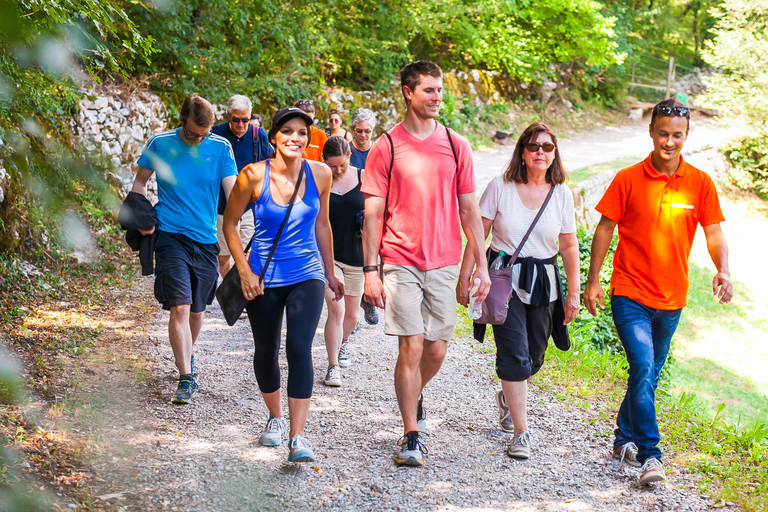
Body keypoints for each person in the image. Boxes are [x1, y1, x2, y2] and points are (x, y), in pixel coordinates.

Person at [583, 98, 733, 485]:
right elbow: (604, 229)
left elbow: (713, 231)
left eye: (677, 136)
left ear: (687, 136)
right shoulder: (628, 178)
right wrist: (593, 279)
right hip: (629, 292)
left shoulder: (700, 183)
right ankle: (651, 454)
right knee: (644, 367)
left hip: (672, 300)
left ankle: (621, 438)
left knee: (646, 375)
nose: (669, 142)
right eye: (663, 134)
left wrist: (723, 270)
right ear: (651, 132)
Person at [361, 60, 491, 467]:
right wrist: (370, 270)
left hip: (444, 261)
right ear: (408, 92)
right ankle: (411, 434)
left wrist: (481, 266)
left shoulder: (456, 145)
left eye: (440, 91)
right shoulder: (387, 146)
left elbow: (470, 210)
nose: (438, 97)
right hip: (399, 259)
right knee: (412, 344)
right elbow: (372, 214)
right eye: (429, 91)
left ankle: (413, 391)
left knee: (435, 350)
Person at [223, 107, 344, 463]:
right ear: (273, 136)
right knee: (265, 349)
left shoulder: (320, 173)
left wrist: (331, 270)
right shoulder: (252, 176)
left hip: (307, 273)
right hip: (262, 277)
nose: (296, 138)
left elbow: (322, 225)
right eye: (288, 131)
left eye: (303, 133)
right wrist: (243, 271)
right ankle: (275, 417)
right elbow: (230, 226)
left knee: (299, 347)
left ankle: (297, 436)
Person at [458, 123, 580, 460]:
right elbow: (477, 234)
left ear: (554, 154)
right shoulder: (501, 186)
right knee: (515, 353)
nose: (541, 152)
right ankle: (522, 433)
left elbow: (569, 247)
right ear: (522, 153)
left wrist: (574, 292)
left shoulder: (561, 193)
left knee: (535, 357)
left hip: (544, 281)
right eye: (533, 146)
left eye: (548, 147)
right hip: (503, 278)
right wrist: (465, 276)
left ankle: (508, 396)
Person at [130, 94, 237, 404]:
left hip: (205, 239)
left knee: (197, 310)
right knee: (180, 305)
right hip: (170, 235)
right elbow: (139, 185)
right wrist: (140, 216)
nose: (196, 140)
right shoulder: (160, 143)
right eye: (191, 133)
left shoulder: (220, 148)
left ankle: (187, 356)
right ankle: (186, 376)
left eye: (202, 135)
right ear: (181, 122)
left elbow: (234, 195)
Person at [211, 95, 273, 279]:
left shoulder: (258, 135)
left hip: (248, 208)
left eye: (245, 120)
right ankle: (231, 289)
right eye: (236, 120)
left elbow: (269, 165)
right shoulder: (215, 134)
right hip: (220, 207)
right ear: (229, 116)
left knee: (246, 255)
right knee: (223, 258)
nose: (240, 124)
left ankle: (241, 297)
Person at [321, 137, 365, 387]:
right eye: (332, 166)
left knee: (352, 315)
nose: (337, 171)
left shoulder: (364, 177)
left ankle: (342, 343)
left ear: (350, 158)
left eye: (342, 166)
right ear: (323, 160)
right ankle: (332, 366)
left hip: (357, 258)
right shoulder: (319, 178)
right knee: (336, 311)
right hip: (329, 258)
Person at [348, 107, 380, 325]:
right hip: (347, 208)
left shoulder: (379, 153)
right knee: (351, 259)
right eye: (359, 131)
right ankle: (352, 311)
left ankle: (367, 300)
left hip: (371, 211)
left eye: (367, 131)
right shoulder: (346, 150)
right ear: (353, 129)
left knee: (369, 256)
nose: (363, 135)